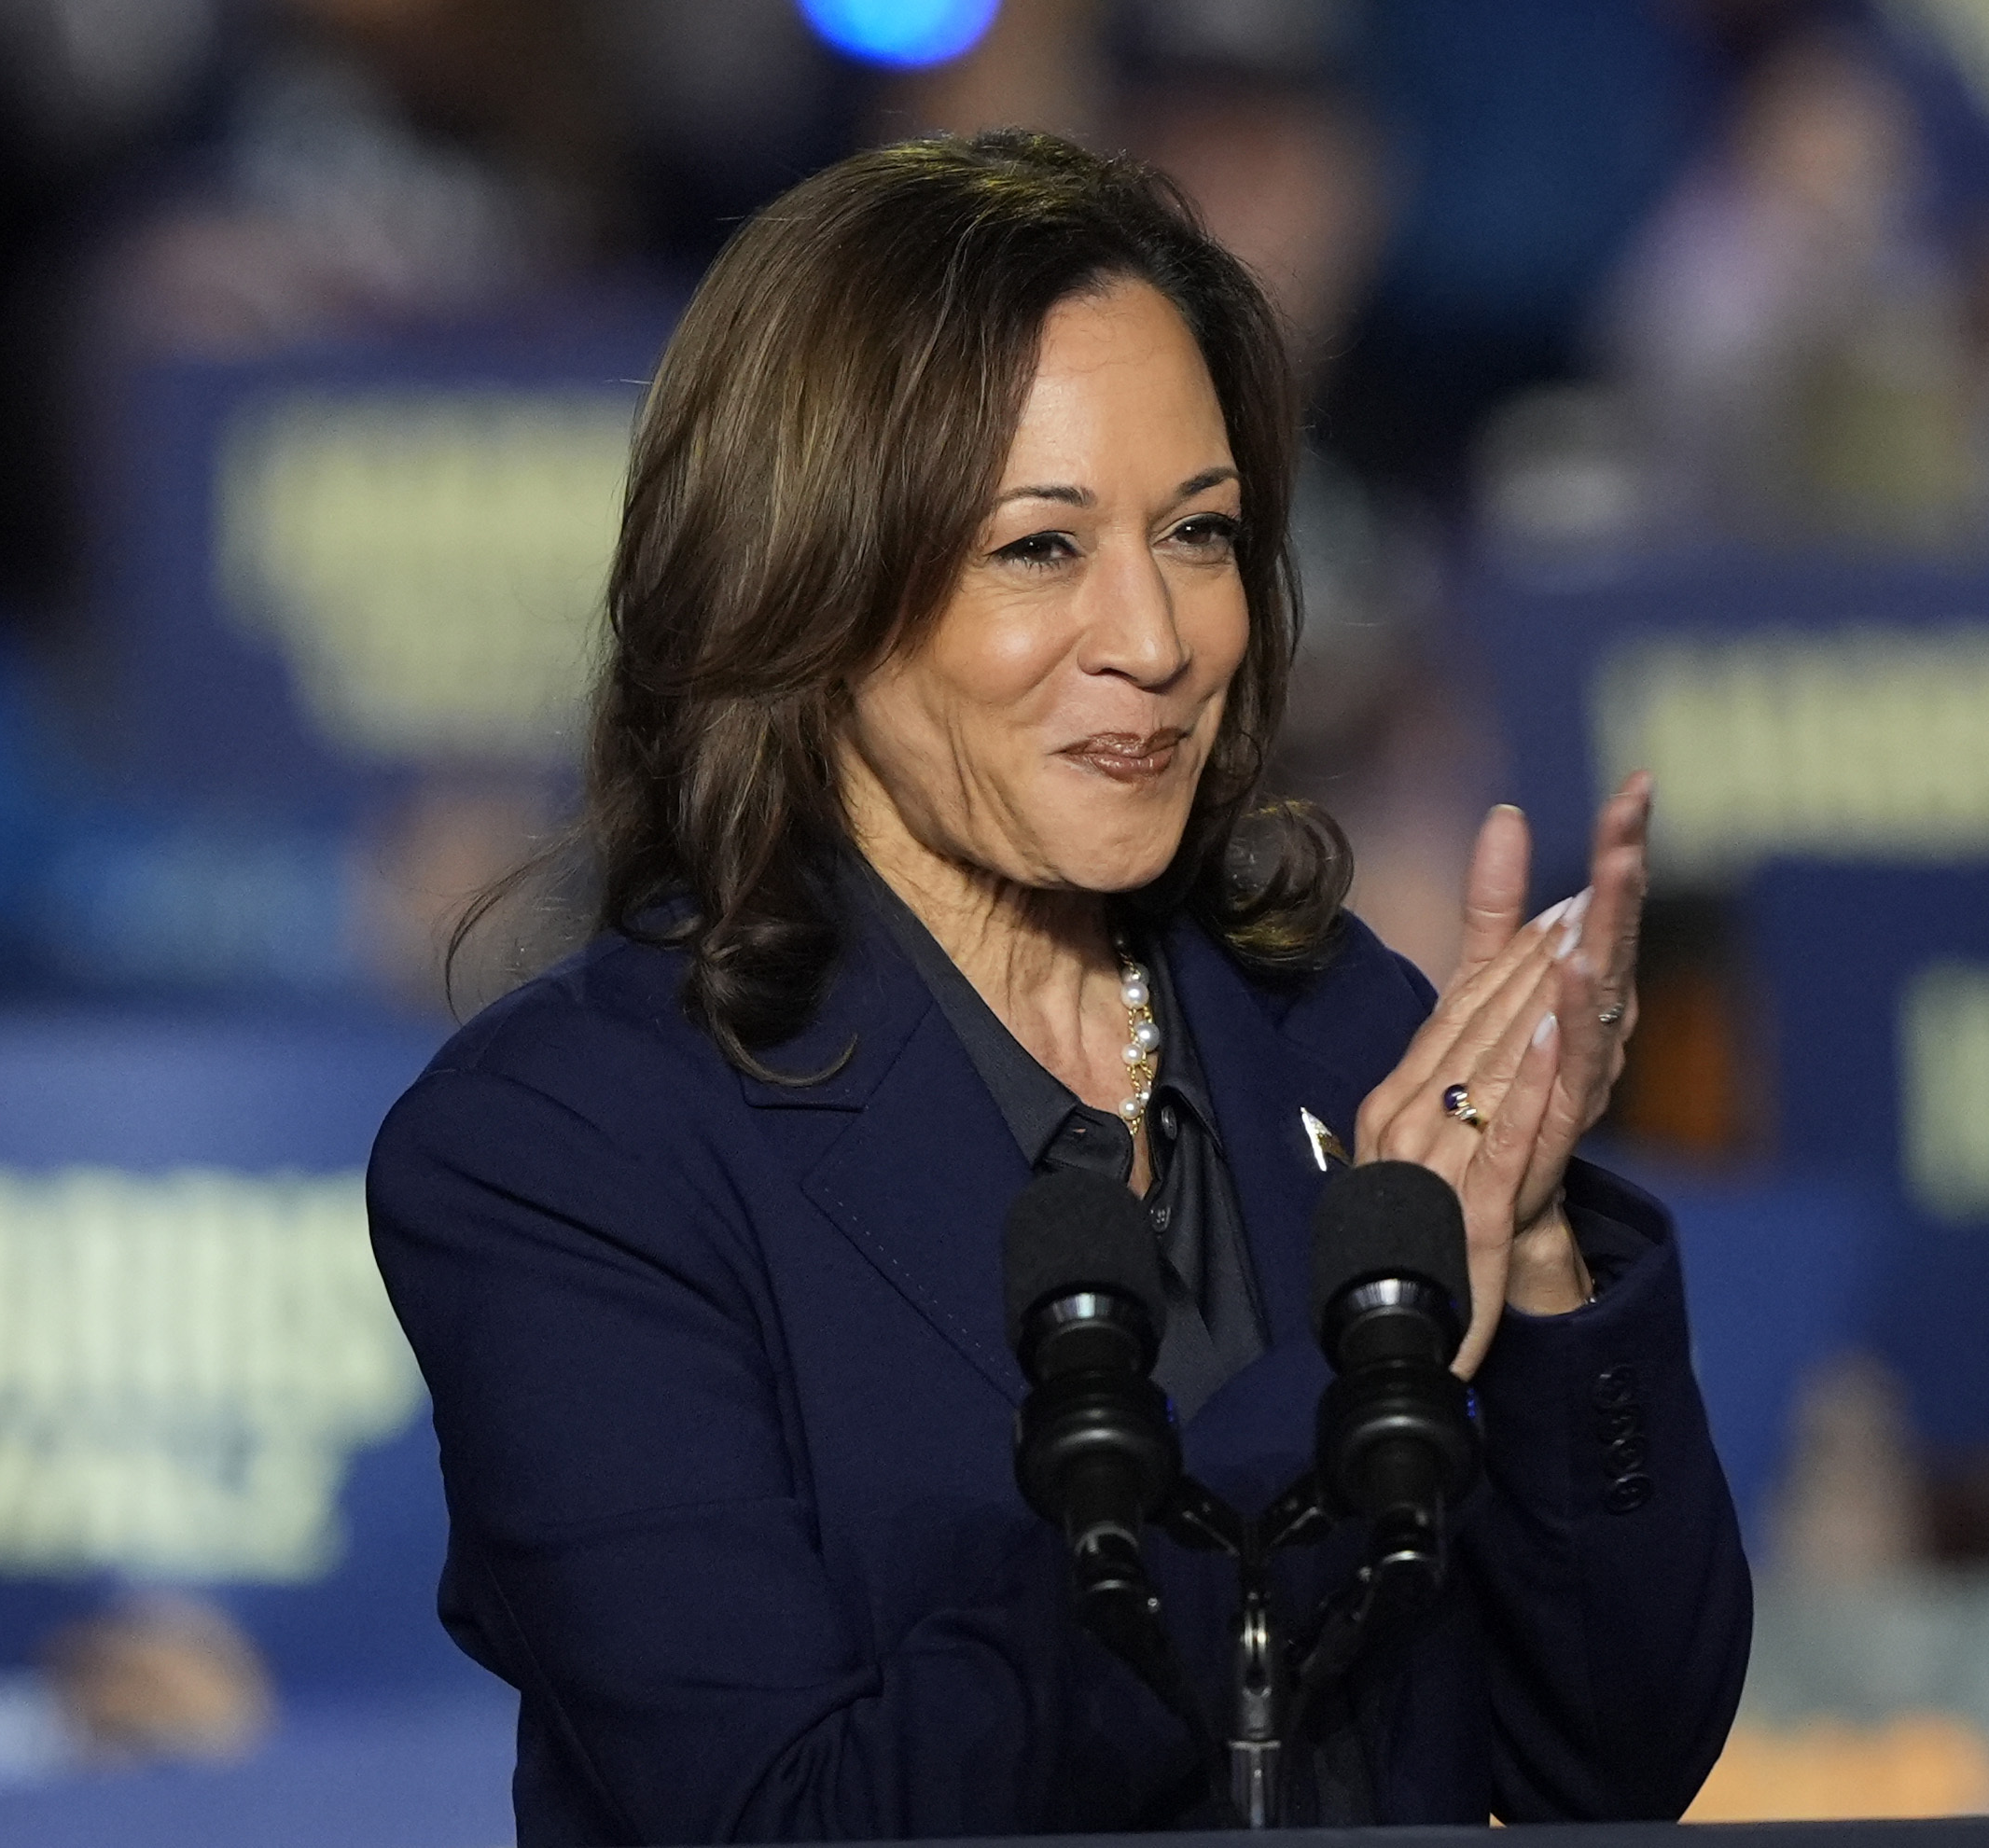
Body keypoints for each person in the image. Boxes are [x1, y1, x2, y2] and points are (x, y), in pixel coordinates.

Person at [368, 130, 1749, 1845]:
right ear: (810, 576)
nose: (1158, 637)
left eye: (1199, 531)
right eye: (1042, 548)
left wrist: (1533, 1251)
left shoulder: (1339, 1032)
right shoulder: (567, 1149)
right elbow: (782, 1818)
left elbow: (1614, 1758)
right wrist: (1364, 1357)